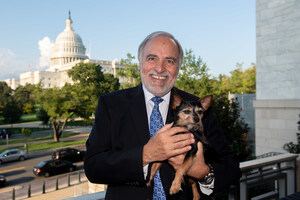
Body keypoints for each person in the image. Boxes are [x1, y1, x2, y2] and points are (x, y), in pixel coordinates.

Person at [84, 31, 241, 200]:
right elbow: (94, 167)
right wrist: (146, 154)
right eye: (152, 58)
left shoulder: (198, 109)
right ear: (140, 62)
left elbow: (232, 168)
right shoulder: (111, 105)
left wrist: (201, 171)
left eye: (170, 61)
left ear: (178, 67)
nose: (160, 68)